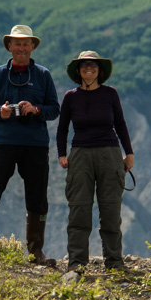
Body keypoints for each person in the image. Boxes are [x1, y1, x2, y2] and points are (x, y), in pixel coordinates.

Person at [0, 25, 61, 266]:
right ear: (9, 47)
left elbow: (54, 109)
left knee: (37, 197)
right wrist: (2, 111)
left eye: (25, 43)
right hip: (3, 143)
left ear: (32, 47)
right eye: (17, 43)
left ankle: (35, 252)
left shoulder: (43, 75)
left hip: (36, 145)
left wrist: (36, 109)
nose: (21, 47)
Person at [56, 50, 134, 273]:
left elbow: (120, 123)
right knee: (79, 208)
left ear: (99, 70)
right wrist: (62, 154)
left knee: (110, 209)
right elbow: (62, 129)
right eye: (84, 65)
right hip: (80, 154)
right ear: (78, 71)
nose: (88, 68)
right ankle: (77, 264)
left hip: (110, 153)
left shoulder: (110, 94)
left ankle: (114, 263)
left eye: (93, 65)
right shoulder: (71, 97)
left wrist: (129, 153)